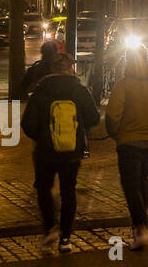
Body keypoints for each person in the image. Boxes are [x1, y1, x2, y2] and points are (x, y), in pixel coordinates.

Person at [22, 46, 100, 254]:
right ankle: (66, 237)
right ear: (70, 69)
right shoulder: (79, 90)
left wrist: (42, 138)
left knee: (44, 190)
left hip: (45, 152)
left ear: (51, 70)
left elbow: (27, 123)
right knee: (68, 192)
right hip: (72, 151)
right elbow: (93, 118)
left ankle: (50, 228)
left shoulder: (41, 90)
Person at [104, 44, 148, 250]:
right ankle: (142, 225)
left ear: (128, 59)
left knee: (131, 186)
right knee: (141, 181)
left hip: (129, 143)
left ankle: (140, 227)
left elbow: (112, 115)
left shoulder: (123, 85)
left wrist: (116, 133)